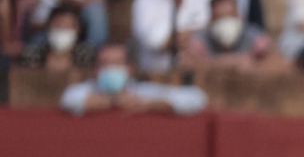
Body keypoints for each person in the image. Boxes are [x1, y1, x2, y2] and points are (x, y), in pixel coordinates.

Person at [61, 42, 209, 114]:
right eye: (104, 63)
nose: (111, 68)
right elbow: (69, 99)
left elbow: (197, 98)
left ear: (130, 68)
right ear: (95, 70)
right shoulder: (87, 89)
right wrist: (113, 101)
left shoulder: (143, 92)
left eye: (117, 63)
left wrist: (150, 105)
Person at [182, 0, 281, 70]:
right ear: (211, 20)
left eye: (230, 16)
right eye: (220, 17)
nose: (226, 23)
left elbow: (279, 64)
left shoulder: (255, 39)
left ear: (240, 16)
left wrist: (254, 64)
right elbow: (185, 65)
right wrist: (227, 63)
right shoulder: (200, 41)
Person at [17, 3, 95, 68]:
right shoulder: (31, 56)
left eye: (68, 26)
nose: (62, 30)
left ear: (78, 30)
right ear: (48, 27)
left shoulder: (87, 57)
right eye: (58, 25)